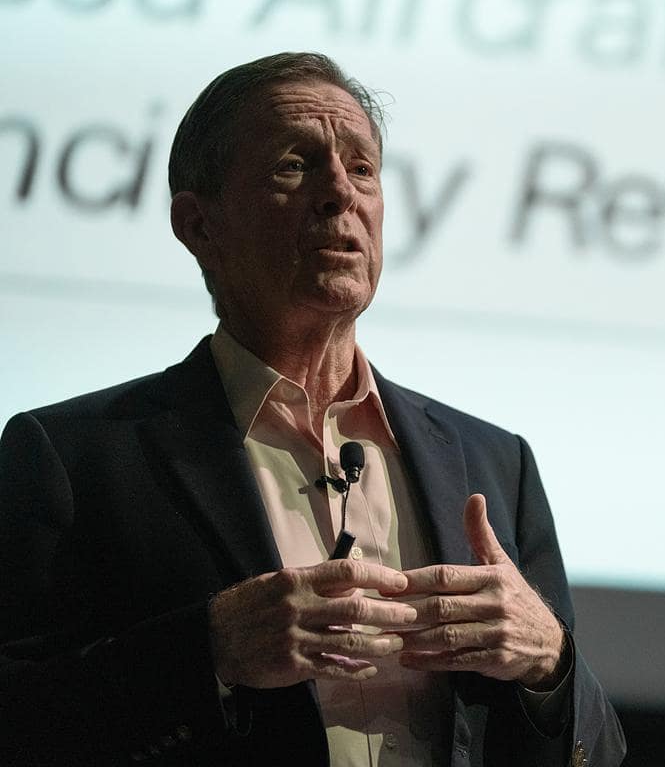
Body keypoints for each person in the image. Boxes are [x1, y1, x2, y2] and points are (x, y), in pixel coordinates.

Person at [0, 52, 625, 766]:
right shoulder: (74, 458)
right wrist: (211, 652)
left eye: (362, 169)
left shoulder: (493, 462)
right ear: (199, 225)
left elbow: (595, 752)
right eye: (293, 166)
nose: (340, 194)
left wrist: (549, 665)